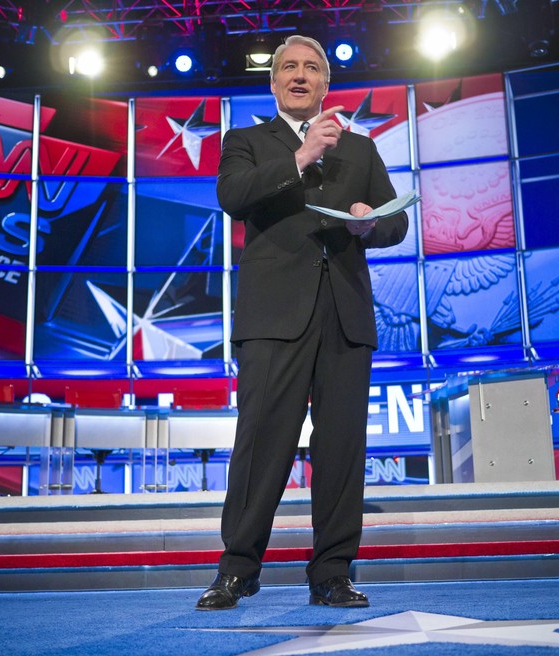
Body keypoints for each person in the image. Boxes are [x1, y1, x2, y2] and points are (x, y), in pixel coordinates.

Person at [195, 34, 408, 611]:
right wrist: (301, 156)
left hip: (345, 315)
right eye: (288, 67)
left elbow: (397, 224)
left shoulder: (360, 150)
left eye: (312, 68)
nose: (299, 75)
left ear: (325, 85)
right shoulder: (245, 142)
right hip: (272, 317)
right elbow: (233, 197)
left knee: (342, 448)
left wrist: (371, 223)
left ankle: (333, 572)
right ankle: (237, 568)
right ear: (273, 83)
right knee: (261, 443)